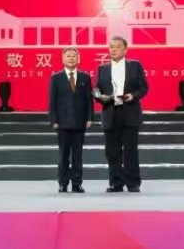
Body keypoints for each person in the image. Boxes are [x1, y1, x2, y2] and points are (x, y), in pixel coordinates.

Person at [93, 37, 148, 192]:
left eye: (117, 46)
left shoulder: (135, 65)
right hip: (110, 112)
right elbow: (97, 90)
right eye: (111, 47)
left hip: (129, 112)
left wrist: (133, 96)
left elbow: (144, 88)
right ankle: (116, 183)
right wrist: (99, 97)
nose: (114, 49)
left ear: (125, 49)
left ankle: (133, 183)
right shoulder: (102, 68)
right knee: (112, 151)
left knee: (130, 150)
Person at [47, 47, 93, 193]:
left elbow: (89, 100)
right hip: (62, 123)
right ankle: (63, 183)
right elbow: (52, 101)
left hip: (80, 123)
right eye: (68, 56)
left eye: (74, 56)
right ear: (63, 58)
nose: (71, 58)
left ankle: (77, 184)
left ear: (78, 58)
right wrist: (54, 120)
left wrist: (90, 118)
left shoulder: (85, 77)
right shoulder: (56, 78)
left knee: (78, 155)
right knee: (64, 155)